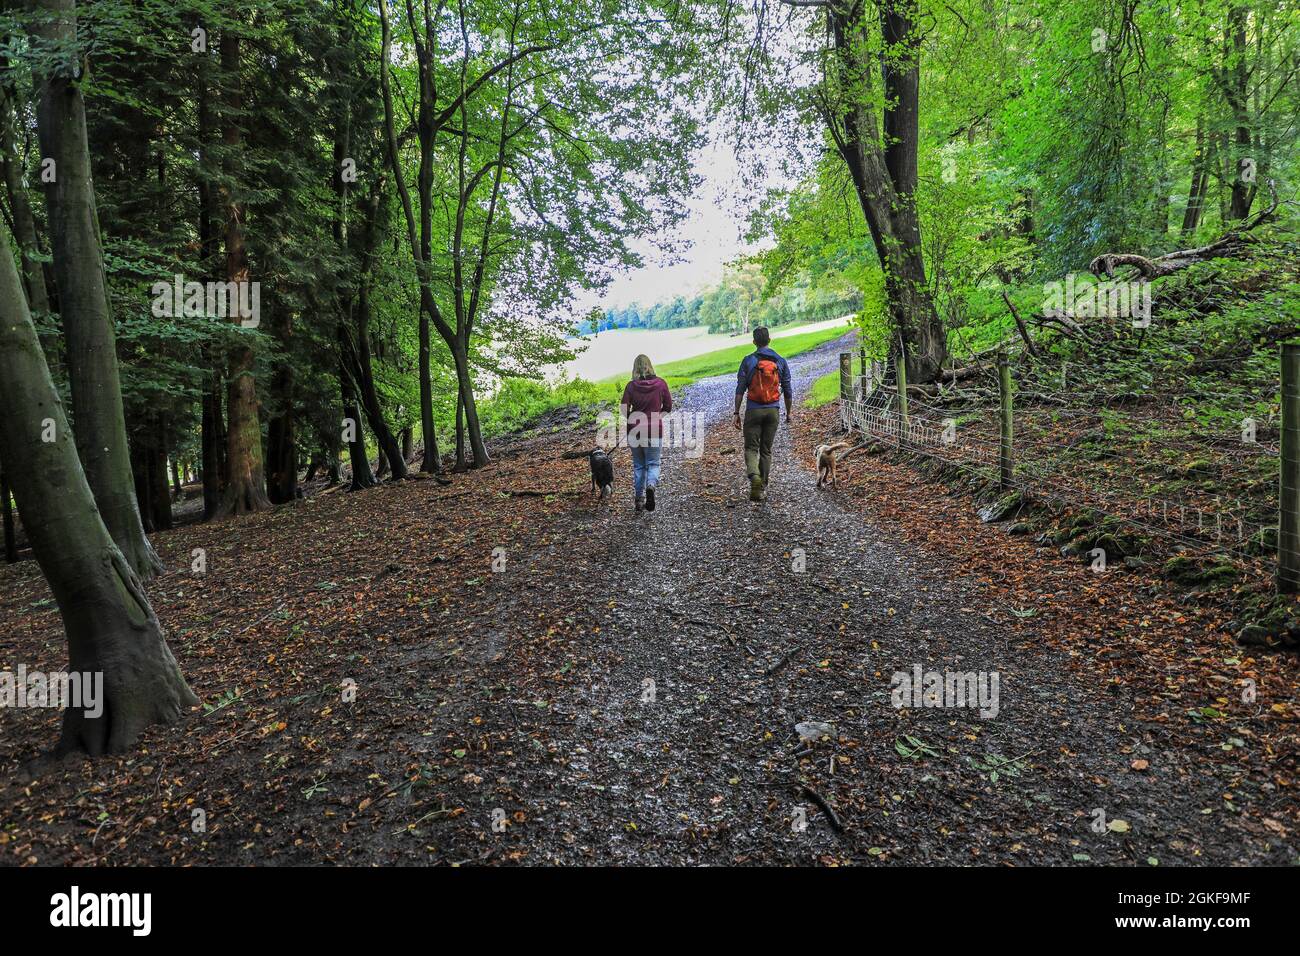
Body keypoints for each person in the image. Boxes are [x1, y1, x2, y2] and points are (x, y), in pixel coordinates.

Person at [733, 327, 792, 502]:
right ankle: (762, 487)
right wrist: (788, 413)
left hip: (753, 410)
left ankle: (754, 478)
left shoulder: (748, 361)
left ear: (754, 342)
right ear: (769, 340)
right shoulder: (780, 361)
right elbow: (788, 390)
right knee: (766, 450)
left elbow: (740, 389)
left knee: (751, 448)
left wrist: (736, 412)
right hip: (773, 411)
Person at [621, 354, 672, 513]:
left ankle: (639, 500)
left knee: (639, 465)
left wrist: (632, 419)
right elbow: (668, 407)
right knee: (653, 464)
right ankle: (651, 485)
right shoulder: (660, 384)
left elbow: (624, 409)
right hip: (654, 430)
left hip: (635, 430)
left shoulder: (631, 386)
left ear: (635, 368)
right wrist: (656, 417)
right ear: (650, 366)